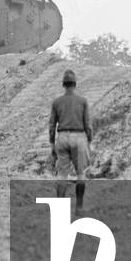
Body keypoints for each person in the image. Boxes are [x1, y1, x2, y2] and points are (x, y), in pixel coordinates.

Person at [48, 69, 93, 211]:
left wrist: (51, 144)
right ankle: (79, 207)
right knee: (80, 174)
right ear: (75, 84)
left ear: (63, 85)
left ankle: (60, 209)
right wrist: (89, 140)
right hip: (79, 137)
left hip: (61, 137)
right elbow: (88, 124)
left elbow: (51, 125)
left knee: (62, 174)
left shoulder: (57, 102)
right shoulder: (83, 101)